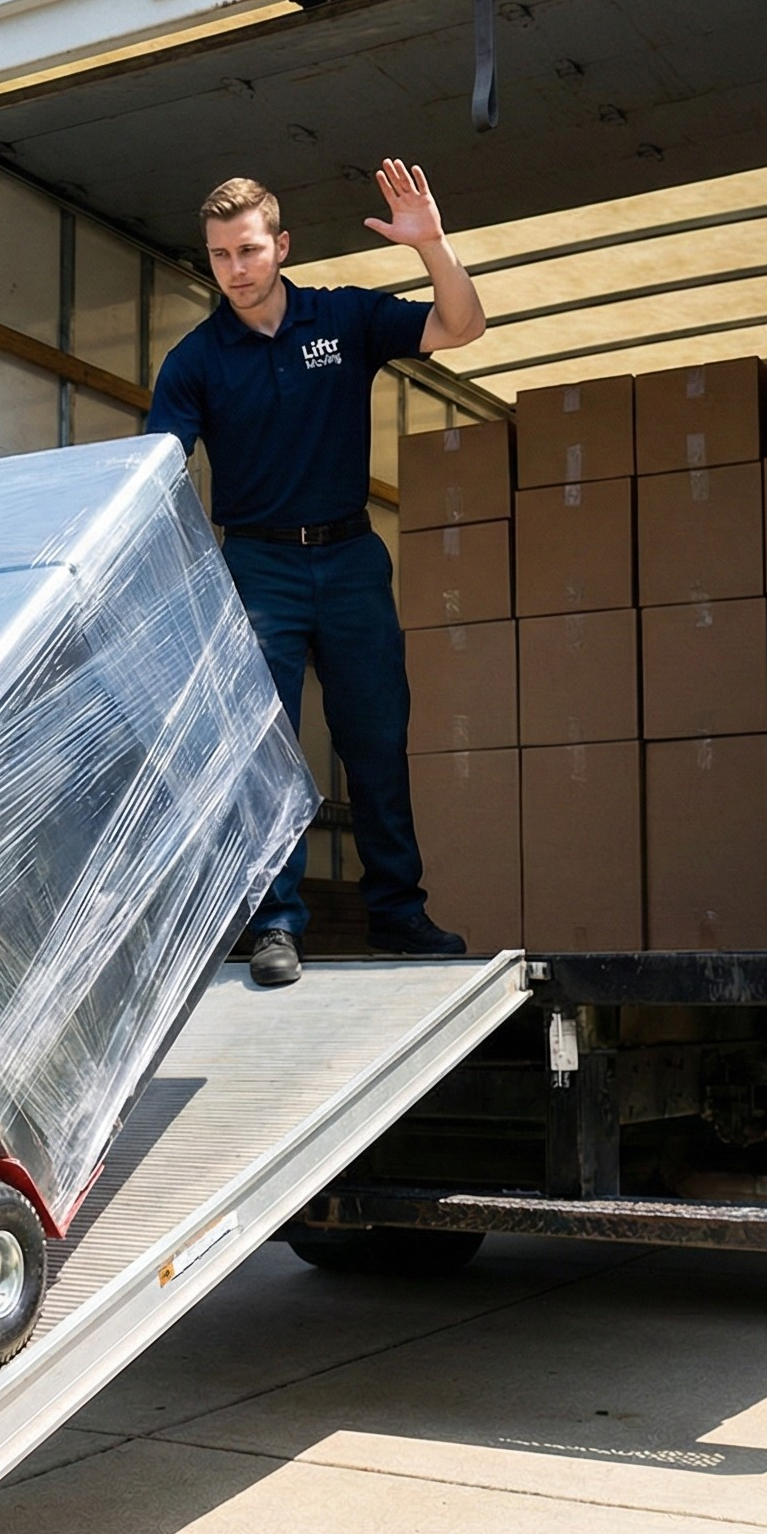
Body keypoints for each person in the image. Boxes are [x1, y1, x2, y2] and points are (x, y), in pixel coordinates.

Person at [146, 163, 489, 988]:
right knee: (267, 748)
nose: (236, 267)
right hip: (258, 564)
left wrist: (433, 246)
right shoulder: (196, 362)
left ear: (281, 246)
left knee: (376, 739)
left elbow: (463, 327)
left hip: (349, 558)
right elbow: (153, 467)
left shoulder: (343, 317)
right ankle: (274, 925)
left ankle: (398, 915)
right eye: (221, 254)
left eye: (250, 249)